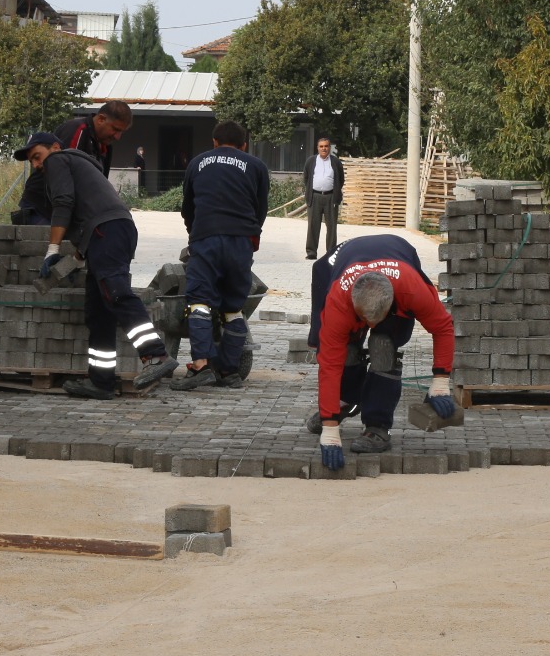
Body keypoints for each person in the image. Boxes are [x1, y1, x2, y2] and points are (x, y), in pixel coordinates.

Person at [19, 134, 178, 399]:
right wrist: (80, 255)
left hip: (108, 231)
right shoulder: (81, 167)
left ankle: (156, 355)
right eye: (32, 160)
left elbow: (64, 203)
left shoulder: (58, 159)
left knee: (115, 292)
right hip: (112, 231)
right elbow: (87, 209)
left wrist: (53, 249)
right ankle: (100, 381)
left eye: (37, 156)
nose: (36, 165)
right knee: (98, 311)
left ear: (54, 148)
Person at [304, 235, 457, 469]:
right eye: (365, 320)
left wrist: (440, 380)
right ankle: (344, 402)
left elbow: (443, 327)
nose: (370, 327)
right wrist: (330, 428)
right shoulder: (338, 301)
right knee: (343, 350)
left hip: (396, 262)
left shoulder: (412, 290)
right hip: (343, 267)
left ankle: (377, 427)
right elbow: (329, 366)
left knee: (382, 344)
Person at [172, 121, 269, 390]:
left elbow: (187, 207)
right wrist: (249, 237)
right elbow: (261, 209)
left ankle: (201, 365)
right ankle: (228, 372)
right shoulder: (257, 166)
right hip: (242, 242)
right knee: (233, 308)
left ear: (214, 142)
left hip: (207, 239)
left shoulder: (197, 163)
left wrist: (195, 234)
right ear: (244, 145)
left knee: (199, 302)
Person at [13, 103, 134, 223]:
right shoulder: (77, 130)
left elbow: (99, 185)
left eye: (121, 132)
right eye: (115, 129)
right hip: (42, 207)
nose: (118, 137)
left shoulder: (105, 147)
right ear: (101, 119)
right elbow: (65, 181)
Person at [303, 137, 345, 259]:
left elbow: (341, 180)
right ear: (317, 148)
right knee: (313, 226)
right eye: (321, 146)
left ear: (329, 147)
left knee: (331, 226)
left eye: (326, 146)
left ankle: (331, 253)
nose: (324, 149)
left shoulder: (336, 162)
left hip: (331, 197)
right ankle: (311, 252)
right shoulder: (311, 161)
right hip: (314, 196)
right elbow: (306, 178)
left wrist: (335, 192)